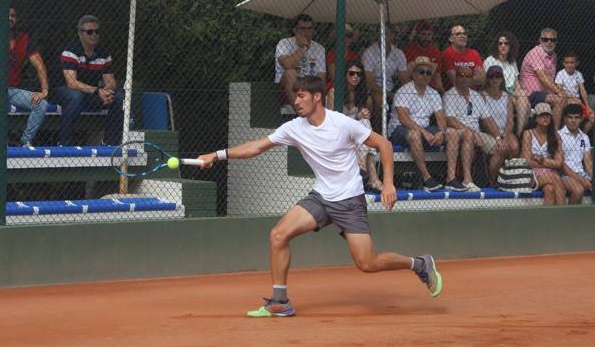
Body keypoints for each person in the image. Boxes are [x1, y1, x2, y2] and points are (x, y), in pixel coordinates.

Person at [197, 76, 442, 317]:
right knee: (278, 235)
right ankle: (280, 301)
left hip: (349, 200)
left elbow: (384, 145)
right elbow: (256, 147)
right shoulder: (293, 128)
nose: (296, 101)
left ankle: (419, 264)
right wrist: (216, 155)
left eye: (302, 96)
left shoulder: (342, 123)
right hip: (321, 197)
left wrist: (388, 184)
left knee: (367, 263)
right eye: (295, 96)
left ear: (317, 97)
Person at [390, 56, 466, 192]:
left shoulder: (434, 93)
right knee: (414, 134)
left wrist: (441, 133)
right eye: (421, 72)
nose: (425, 75)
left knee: (452, 133)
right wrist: (424, 133)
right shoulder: (404, 91)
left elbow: (441, 118)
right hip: (401, 130)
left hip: (424, 131)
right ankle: (427, 178)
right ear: (413, 74)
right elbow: (403, 119)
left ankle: (451, 178)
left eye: (428, 72)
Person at [51, 15, 123, 146]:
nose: (94, 35)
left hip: (90, 93)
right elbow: (71, 83)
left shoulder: (103, 53)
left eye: (97, 31)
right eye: (89, 32)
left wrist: (107, 91)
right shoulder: (70, 51)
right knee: (75, 96)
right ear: (80, 33)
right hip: (63, 91)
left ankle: (109, 143)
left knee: (118, 97)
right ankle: (64, 143)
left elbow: (111, 81)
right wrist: (97, 91)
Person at [0, 6, 49, 146]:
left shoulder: (24, 39)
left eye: (13, 15)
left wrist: (44, 91)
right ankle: (3, 145)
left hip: (11, 90)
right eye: (5, 15)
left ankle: (25, 142)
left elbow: (39, 65)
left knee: (41, 105)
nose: (9, 18)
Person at [444, 65, 504, 192]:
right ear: (456, 78)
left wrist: (498, 137)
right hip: (457, 131)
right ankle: (467, 179)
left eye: (468, 76)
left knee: (501, 148)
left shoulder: (476, 96)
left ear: (471, 79)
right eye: (461, 75)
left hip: (476, 132)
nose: (464, 79)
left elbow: (487, 119)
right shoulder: (449, 95)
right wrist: (472, 132)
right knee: (469, 137)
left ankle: (490, 181)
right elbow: (450, 120)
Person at [326, 60, 382, 191]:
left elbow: (367, 118)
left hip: (358, 135)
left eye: (359, 74)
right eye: (351, 73)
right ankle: (372, 178)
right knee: (363, 128)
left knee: (366, 123)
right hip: (337, 132)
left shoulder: (364, 96)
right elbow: (334, 120)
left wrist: (365, 113)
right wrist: (357, 118)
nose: (355, 76)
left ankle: (364, 170)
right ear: (345, 75)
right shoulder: (334, 92)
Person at [361, 24, 409, 131]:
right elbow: (369, 82)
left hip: (391, 87)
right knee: (380, 101)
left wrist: (401, 94)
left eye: (386, 34)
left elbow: (405, 80)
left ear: (392, 35)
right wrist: (389, 94)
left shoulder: (399, 53)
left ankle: (394, 131)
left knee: (406, 97)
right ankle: (379, 133)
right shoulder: (369, 52)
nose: (383, 36)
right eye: (381, 33)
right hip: (373, 88)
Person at [483, 31, 530, 134]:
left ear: (511, 46)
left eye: (506, 43)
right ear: (497, 46)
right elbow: (487, 83)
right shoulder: (490, 61)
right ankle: (521, 134)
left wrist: (520, 93)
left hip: (512, 93)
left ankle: (520, 132)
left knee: (524, 98)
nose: (503, 46)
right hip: (497, 91)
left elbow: (517, 84)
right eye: (500, 43)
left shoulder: (512, 62)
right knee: (525, 103)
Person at [275, 13, 326, 107]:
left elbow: (321, 76)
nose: (306, 32)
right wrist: (303, 48)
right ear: (295, 30)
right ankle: (301, 109)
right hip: (287, 86)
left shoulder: (319, 48)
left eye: (309, 28)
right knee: (290, 72)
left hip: (310, 86)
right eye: (302, 28)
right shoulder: (284, 43)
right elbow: (287, 65)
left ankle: (309, 109)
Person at [520, 102, 566, 206]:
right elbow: (527, 161)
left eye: (547, 115)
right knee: (555, 178)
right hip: (530, 174)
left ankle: (549, 220)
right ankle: (563, 215)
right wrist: (550, 163)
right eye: (541, 115)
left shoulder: (556, 136)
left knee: (549, 189)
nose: (545, 118)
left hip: (548, 173)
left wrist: (541, 160)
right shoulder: (528, 134)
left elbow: (559, 163)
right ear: (535, 118)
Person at [519, 28, 566, 128]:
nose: (549, 42)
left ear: (556, 42)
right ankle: (555, 133)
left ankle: (567, 135)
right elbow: (543, 77)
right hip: (532, 94)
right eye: (545, 39)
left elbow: (551, 79)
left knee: (572, 100)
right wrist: (559, 92)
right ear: (540, 40)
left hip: (546, 94)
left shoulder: (553, 55)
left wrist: (562, 92)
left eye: (552, 40)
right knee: (558, 100)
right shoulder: (535, 53)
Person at [480, 66, 520, 183]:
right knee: (500, 151)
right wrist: (498, 138)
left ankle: (510, 178)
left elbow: (510, 120)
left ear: (502, 79)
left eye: (498, 76)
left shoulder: (506, 96)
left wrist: (506, 136)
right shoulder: (482, 96)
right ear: (487, 78)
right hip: (489, 131)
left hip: (505, 130)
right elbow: (484, 121)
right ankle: (493, 181)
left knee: (514, 146)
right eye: (492, 76)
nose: (495, 79)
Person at [554, 51, 594, 134]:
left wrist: (587, 106)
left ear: (577, 63)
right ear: (563, 63)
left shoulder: (578, 74)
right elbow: (560, 90)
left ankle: (580, 136)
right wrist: (572, 98)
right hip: (566, 100)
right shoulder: (560, 74)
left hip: (577, 102)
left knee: (593, 116)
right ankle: (564, 135)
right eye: (567, 62)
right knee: (572, 114)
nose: (569, 65)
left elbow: (582, 90)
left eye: (572, 62)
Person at [403, 20, 444, 93]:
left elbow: (437, 75)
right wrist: (410, 90)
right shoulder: (409, 50)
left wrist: (440, 90)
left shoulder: (435, 52)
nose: (426, 37)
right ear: (417, 34)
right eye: (423, 34)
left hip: (431, 89)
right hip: (413, 88)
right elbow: (406, 75)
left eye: (429, 35)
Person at [441, 24, 485, 90]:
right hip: (455, 94)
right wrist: (473, 79)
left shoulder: (474, 53)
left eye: (464, 34)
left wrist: (462, 79)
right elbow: (455, 81)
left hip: (473, 94)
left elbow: (482, 79)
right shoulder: (447, 54)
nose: (462, 36)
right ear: (450, 39)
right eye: (458, 34)